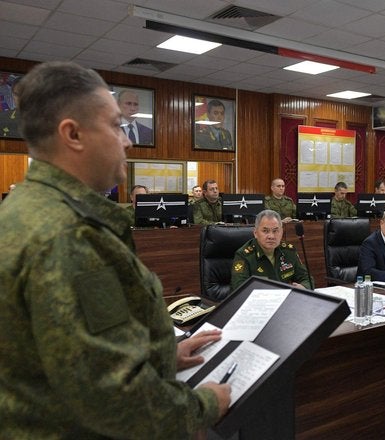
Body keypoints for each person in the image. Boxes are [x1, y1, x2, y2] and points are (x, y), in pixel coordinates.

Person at [0, 61, 230, 439]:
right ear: (72, 134)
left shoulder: (34, 209)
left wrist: (160, 357)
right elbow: (111, 394)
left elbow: (72, 355)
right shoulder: (68, 235)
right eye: (113, 126)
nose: (127, 140)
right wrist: (203, 405)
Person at [231, 209, 312, 290]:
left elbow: (307, 279)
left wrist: (303, 287)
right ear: (255, 233)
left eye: (275, 231)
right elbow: (239, 289)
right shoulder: (244, 255)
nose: (271, 236)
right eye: (265, 231)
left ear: (282, 232)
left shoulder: (288, 250)